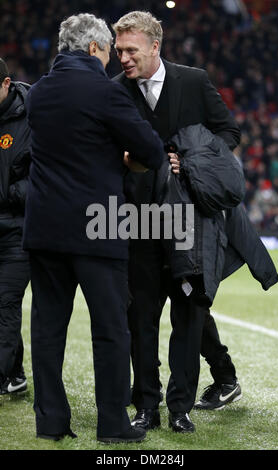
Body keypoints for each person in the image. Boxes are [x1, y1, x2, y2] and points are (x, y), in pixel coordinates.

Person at [23, 13, 164, 443]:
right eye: (108, 51)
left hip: (45, 228)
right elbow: (153, 152)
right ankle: (113, 427)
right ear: (93, 49)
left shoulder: (39, 94)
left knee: (47, 331)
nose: (111, 60)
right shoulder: (106, 94)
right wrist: (121, 159)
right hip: (98, 228)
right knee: (109, 331)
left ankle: (50, 423)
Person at [112, 10, 242, 432]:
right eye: (119, 51)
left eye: (132, 50)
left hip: (190, 222)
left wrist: (192, 158)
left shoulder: (193, 80)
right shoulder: (114, 90)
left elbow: (228, 133)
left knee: (187, 320)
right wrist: (123, 161)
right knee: (141, 320)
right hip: (138, 221)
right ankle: (145, 406)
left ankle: (180, 408)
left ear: (155, 46)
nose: (124, 59)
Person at [0, 58, 30, 396]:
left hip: (18, 229)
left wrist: (8, 193)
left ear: (7, 84)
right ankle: (15, 373)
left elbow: (44, 173)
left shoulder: (31, 117)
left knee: (6, 302)